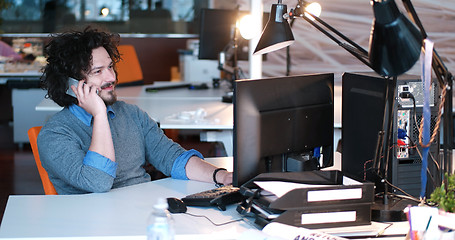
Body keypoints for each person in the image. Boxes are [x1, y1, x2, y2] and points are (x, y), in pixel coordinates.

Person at [37, 26, 232, 194]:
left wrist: (221, 176)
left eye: (110, 67)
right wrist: (99, 115)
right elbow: (98, 182)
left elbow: (172, 158)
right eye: (98, 71)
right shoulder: (55, 134)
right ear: (72, 84)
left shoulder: (132, 115)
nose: (111, 77)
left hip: (142, 214)